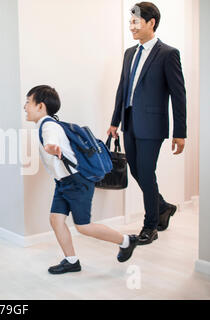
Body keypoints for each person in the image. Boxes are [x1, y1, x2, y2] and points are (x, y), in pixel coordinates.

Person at [25, 85, 138, 275]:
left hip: (76, 182)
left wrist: (51, 148)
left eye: (28, 102)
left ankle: (127, 241)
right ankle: (71, 261)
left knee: (84, 226)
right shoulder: (49, 124)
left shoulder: (48, 126)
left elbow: (51, 143)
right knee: (56, 219)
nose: (25, 106)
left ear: (40, 106)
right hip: (63, 182)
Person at [107, 2, 187, 245]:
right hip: (130, 121)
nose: (131, 26)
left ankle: (150, 225)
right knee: (135, 170)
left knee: (146, 171)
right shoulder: (130, 53)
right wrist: (115, 121)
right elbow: (123, 88)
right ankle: (163, 206)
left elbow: (178, 94)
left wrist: (180, 132)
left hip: (152, 125)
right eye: (130, 22)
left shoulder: (168, 54)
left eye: (135, 22)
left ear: (151, 23)